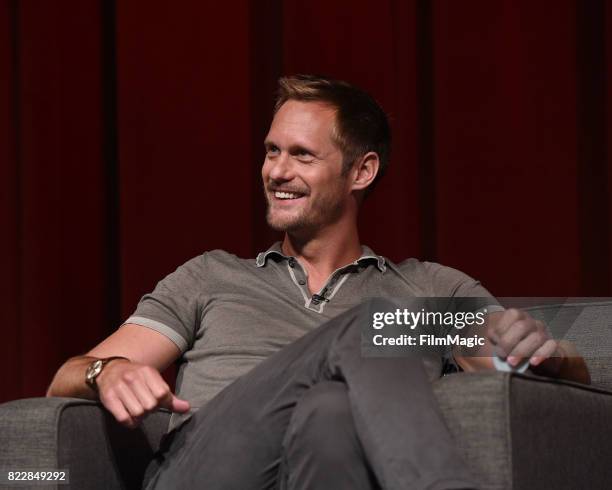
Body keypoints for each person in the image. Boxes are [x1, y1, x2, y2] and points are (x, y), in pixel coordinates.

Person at [47, 75, 590, 490]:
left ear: (362, 172)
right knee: (373, 328)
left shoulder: (432, 287)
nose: (276, 171)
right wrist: (106, 371)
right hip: (208, 468)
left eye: (301, 155)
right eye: (272, 151)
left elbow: (524, 363)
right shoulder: (211, 275)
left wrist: (549, 351)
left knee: (331, 410)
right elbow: (65, 377)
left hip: (332, 465)